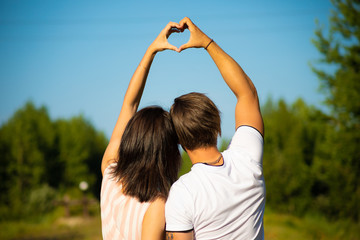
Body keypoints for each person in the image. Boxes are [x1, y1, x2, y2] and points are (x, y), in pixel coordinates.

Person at [165, 17, 266, 240]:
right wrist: (206, 43)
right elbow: (247, 93)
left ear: (179, 140)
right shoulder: (247, 160)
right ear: (217, 126)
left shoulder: (184, 193)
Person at [100, 22, 182, 240]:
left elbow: (129, 105)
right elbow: (130, 105)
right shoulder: (157, 206)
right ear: (166, 151)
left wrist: (151, 51)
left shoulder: (110, 175)